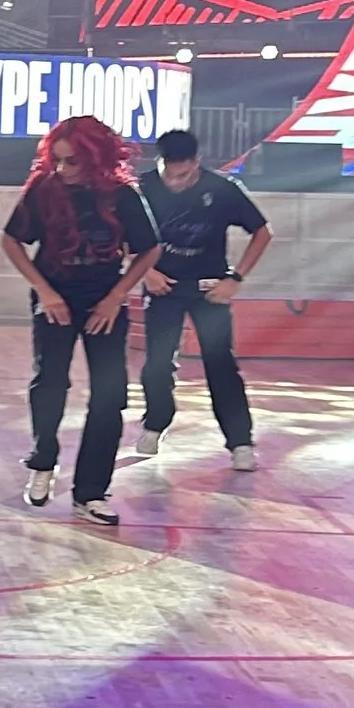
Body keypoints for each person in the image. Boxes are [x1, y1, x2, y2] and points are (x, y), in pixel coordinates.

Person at [0, 114, 161, 528]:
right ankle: (43, 459)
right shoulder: (43, 190)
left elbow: (149, 250)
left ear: (95, 159)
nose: (63, 170)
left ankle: (90, 492)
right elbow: (11, 240)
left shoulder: (123, 196)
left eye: (72, 162)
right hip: (55, 297)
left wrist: (115, 297)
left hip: (103, 299)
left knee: (109, 396)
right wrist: (46, 292)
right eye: (58, 161)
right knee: (50, 380)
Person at [133, 128, 272, 470]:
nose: (175, 182)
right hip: (163, 287)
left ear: (196, 163)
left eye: (183, 175)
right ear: (159, 162)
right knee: (157, 365)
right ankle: (155, 423)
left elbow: (263, 232)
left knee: (220, 364)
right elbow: (123, 233)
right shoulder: (142, 187)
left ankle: (240, 442)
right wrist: (144, 272)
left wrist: (235, 279)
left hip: (210, 290)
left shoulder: (222, 189)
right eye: (169, 173)